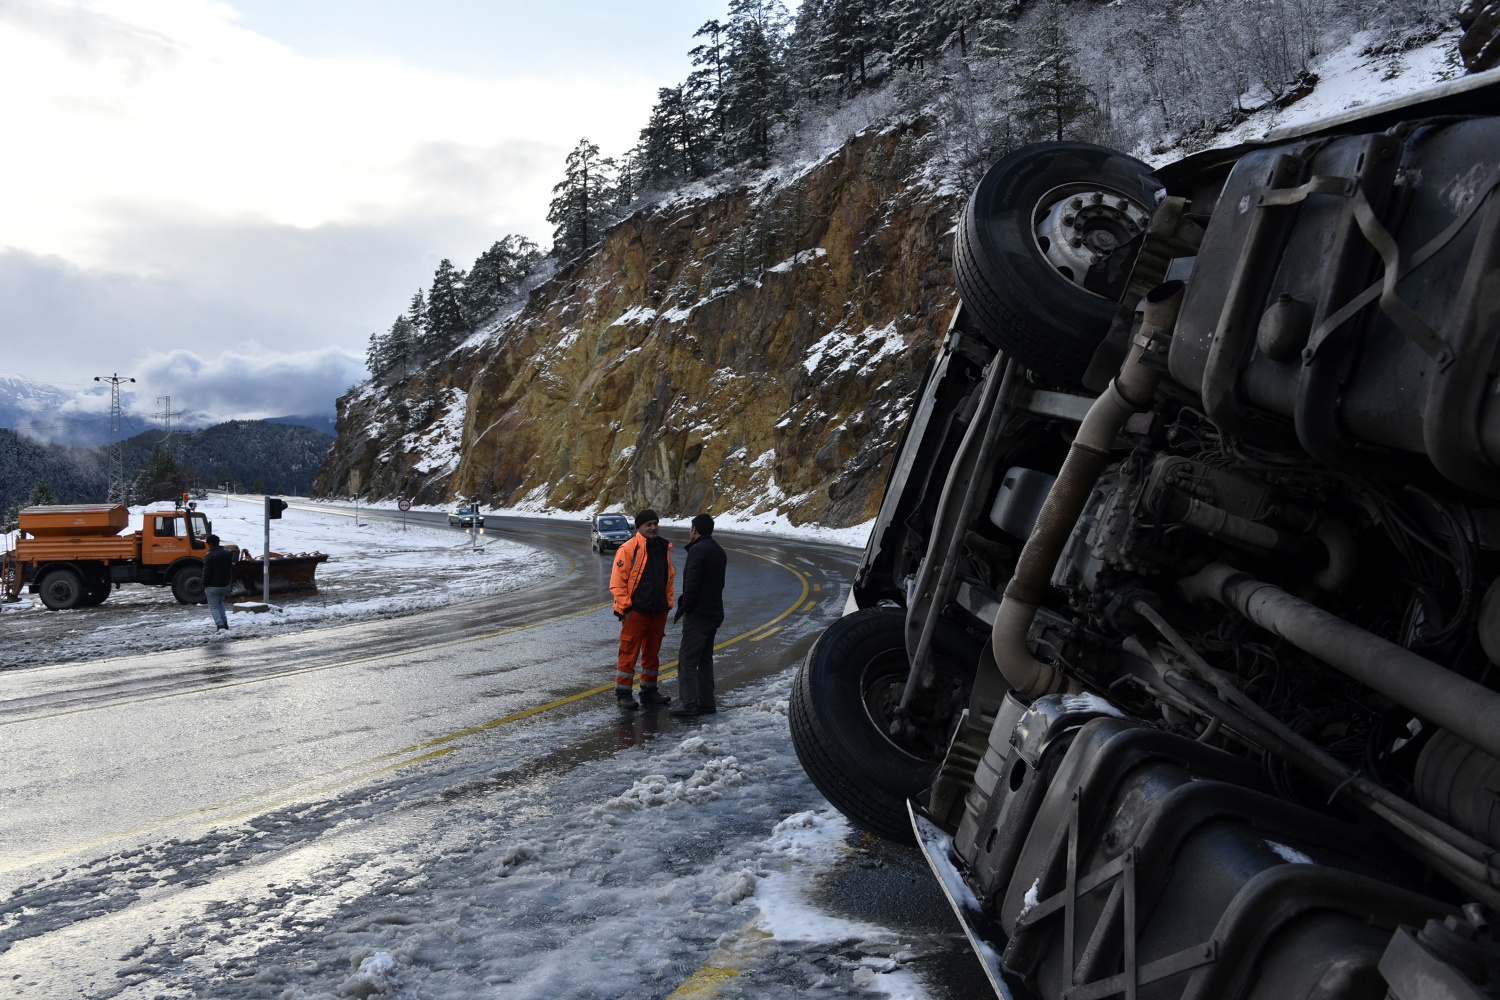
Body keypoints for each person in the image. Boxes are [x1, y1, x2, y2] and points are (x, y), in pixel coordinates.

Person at [609, 509, 674, 709]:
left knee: (652, 654)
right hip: (636, 612)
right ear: (640, 527)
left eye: (655, 523)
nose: (653, 527)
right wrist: (627, 608)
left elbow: (668, 579)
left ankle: (649, 691)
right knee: (628, 653)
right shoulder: (629, 549)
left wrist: (667, 604)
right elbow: (617, 584)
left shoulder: (663, 547)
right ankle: (623, 694)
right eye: (649, 524)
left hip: (658, 611)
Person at [670, 513, 726, 717]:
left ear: (695, 530)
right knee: (705, 658)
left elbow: (691, 584)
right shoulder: (718, 550)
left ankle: (689, 703)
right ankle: (707, 702)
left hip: (699, 614)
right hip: (714, 612)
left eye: (691, 528)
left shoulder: (697, 551)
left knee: (687, 659)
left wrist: (688, 607)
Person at [203, 533, 234, 631]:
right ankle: (225, 623)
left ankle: (220, 625)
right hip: (225, 584)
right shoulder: (228, 552)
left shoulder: (210, 555)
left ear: (211, 544)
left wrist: (204, 583)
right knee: (220, 603)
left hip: (213, 585)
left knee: (213, 606)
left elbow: (207, 571)